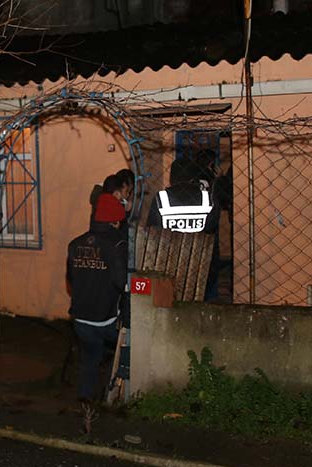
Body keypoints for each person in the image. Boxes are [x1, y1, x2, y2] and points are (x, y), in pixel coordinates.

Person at [67, 177, 130, 404]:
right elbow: (122, 282)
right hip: (107, 320)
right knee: (130, 352)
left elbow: (70, 280)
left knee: (90, 358)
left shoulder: (75, 244)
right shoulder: (117, 244)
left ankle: (85, 400)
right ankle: (115, 396)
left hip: (81, 319)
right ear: (115, 221)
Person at [145, 156, 221, 299]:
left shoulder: (161, 198)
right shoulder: (208, 198)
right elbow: (212, 231)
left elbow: (152, 231)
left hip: (167, 267)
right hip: (201, 270)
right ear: (194, 176)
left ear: (172, 177)